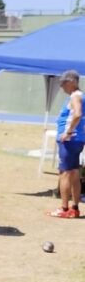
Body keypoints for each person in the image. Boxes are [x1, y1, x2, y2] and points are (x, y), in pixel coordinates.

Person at [49, 69, 84, 218]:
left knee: (64, 174)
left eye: (64, 83)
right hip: (77, 139)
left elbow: (77, 114)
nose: (62, 86)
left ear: (72, 82)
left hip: (69, 140)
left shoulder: (75, 96)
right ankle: (74, 207)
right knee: (74, 173)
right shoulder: (80, 96)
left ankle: (64, 208)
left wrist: (68, 131)